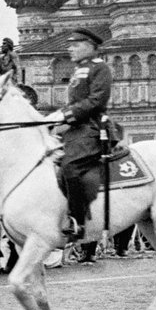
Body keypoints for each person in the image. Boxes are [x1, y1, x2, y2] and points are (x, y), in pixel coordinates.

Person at [45, 28, 113, 262]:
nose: (70, 48)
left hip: (91, 128)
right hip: (75, 129)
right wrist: (58, 116)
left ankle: (77, 220)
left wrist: (66, 114)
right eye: (70, 45)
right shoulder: (78, 70)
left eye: (76, 44)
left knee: (70, 167)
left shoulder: (100, 68)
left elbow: (96, 101)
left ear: (91, 45)